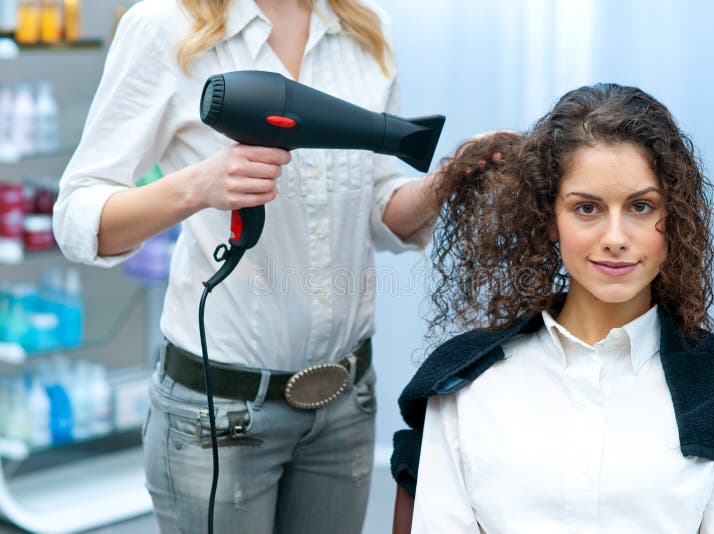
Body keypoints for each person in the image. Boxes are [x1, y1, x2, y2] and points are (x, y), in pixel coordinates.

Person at [53, 0, 443, 532]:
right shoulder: (166, 26)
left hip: (346, 404)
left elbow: (375, 205)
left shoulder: (365, 26)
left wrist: (443, 186)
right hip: (218, 419)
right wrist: (198, 186)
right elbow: (77, 217)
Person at [390, 83, 714, 533]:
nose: (616, 237)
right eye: (587, 208)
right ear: (549, 219)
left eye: (641, 207)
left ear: (675, 216)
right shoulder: (464, 385)